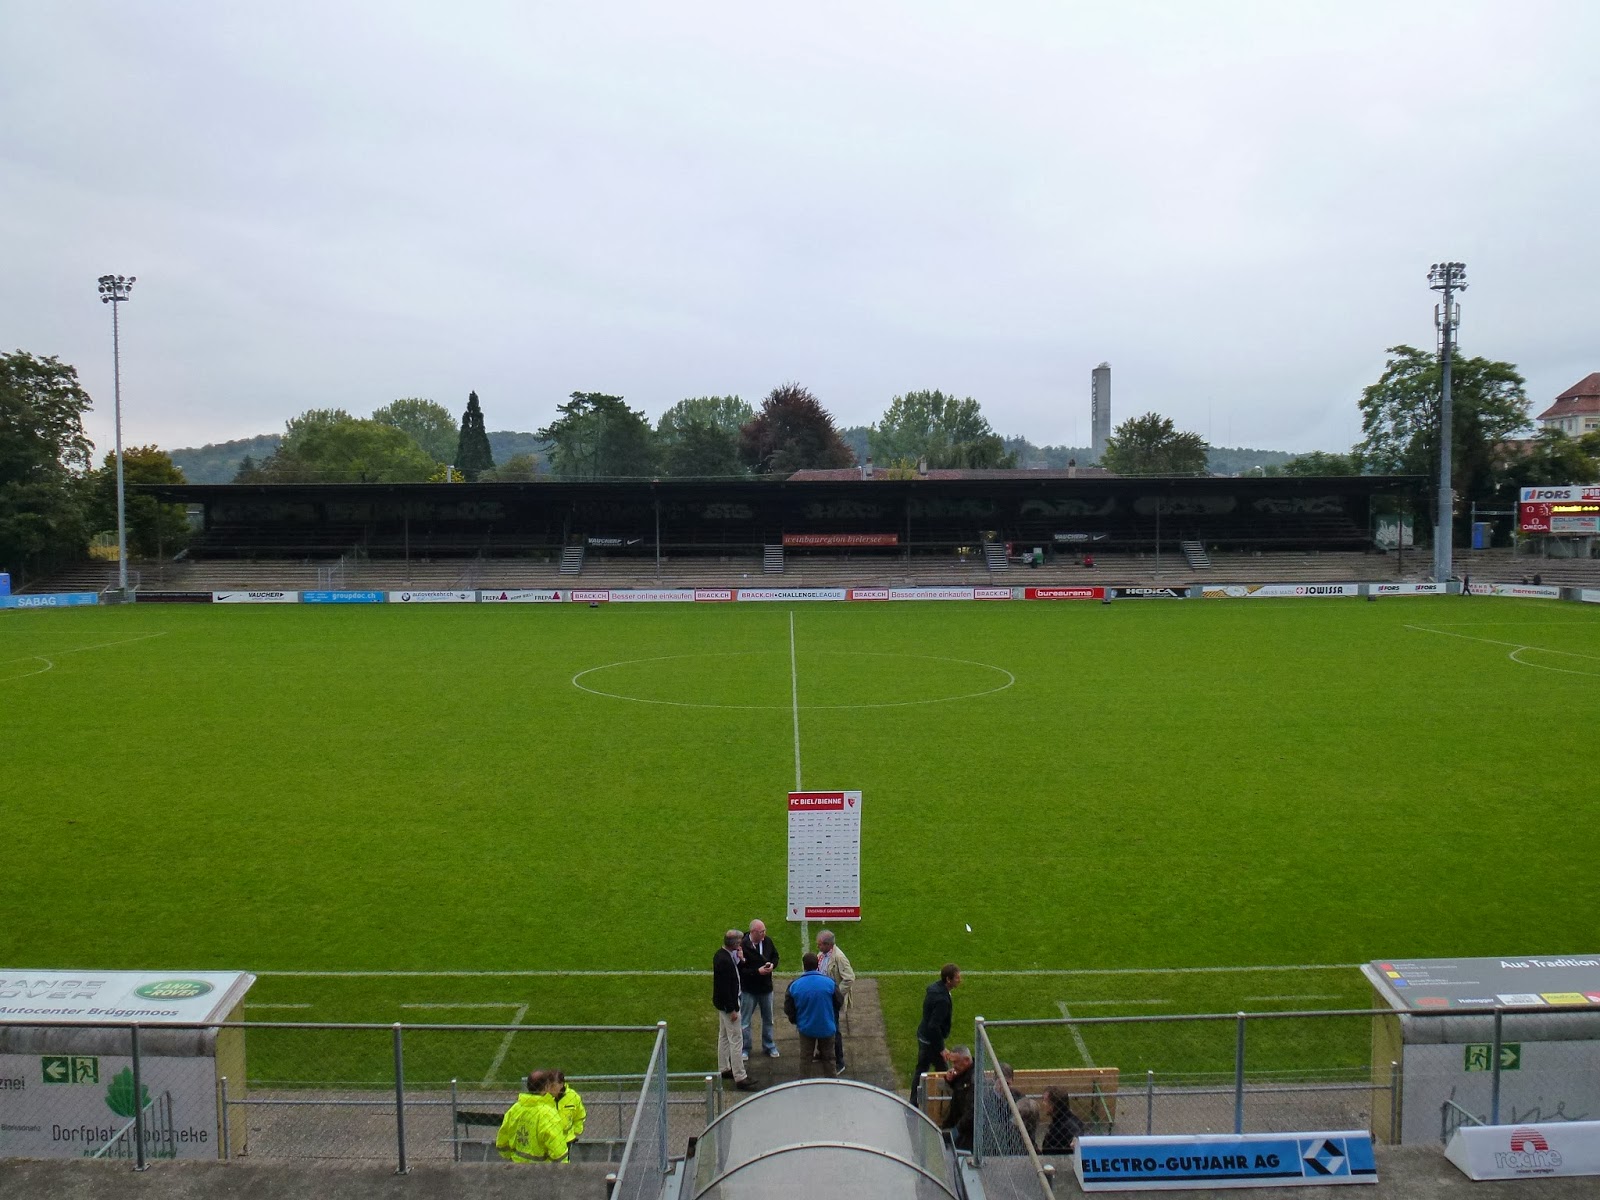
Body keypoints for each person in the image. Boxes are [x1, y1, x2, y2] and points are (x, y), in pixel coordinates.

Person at [783, 952, 842, 1077]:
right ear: (817, 965)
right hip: (826, 1027)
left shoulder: (795, 985)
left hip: (806, 1028)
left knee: (805, 1059)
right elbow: (839, 1002)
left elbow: (788, 1008)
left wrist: (796, 1021)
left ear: (803, 965)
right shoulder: (829, 982)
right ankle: (832, 1085)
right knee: (829, 1059)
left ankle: (803, 1085)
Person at [713, 929, 758, 1091]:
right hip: (729, 1005)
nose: (741, 945)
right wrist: (732, 1009)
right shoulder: (724, 960)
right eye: (739, 942)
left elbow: (734, 974)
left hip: (723, 1004)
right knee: (736, 1039)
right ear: (734, 943)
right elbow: (725, 987)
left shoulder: (723, 955)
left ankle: (724, 1067)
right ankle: (740, 1076)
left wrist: (740, 959)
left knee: (724, 1036)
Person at [911, 963, 960, 1106]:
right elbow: (934, 1025)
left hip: (924, 1036)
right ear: (948, 980)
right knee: (944, 1072)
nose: (959, 980)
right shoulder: (943, 1000)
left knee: (921, 1069)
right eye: (957, 978)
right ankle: (949, 1103)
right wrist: (941, 1048)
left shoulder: (934, 989)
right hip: (930, 1042)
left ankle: (914, 1101)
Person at [495, 1070, 570, 1163]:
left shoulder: (515, 1109)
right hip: (542, 1171)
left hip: (517, 1166)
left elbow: (502, 1140)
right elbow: (558, 1151)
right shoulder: (548, 1113)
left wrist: (510, 1157)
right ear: (546, 1087)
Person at [739, 919, 781, 1059]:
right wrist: (757, 971)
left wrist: (772, 965)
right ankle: (745, 1048)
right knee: (745, 1021)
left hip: (766, 988)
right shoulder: (742, 947)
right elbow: (741, 970)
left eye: (764, 931)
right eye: (761, 932)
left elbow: (775, 956)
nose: (764, 934)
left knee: (768, 1019)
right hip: (749, 990)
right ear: (752, 932)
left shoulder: (767, 941)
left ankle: (769, 1045)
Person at [816, 929, 854, 1076]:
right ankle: (822, 1052)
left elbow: (849, 978)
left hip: (831, 1000)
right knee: (821, 1024)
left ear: (828, 945)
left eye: (820, 944)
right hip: (823, 998)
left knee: (834, 1030)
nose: (818, 947)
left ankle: (839, 1061)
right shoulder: (822, 955)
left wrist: (836, 994)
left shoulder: (839, 958)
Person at [940, 1045, 975, 1149]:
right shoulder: (965, 1072)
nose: (953, 1066)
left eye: (955, 1062)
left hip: (966, 1132)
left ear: (966, 1060)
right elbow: (960, 1090)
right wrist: (950, 1080)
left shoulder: (974, 1080)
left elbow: (972, 1111)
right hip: (957, 1124)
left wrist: (957, 1130)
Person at [1037, 1086, 1085, 1155]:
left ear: (1053, 1104)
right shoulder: (1058, 1121)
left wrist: (1076, 1139)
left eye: (1045, 1100)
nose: (1043, 1103)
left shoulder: (1067, 1124)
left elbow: (1077, 1134)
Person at [552, 1070, 585, 1147]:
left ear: (561, 1084)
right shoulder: (545, 1097)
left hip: (567, 1138)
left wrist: (576, 1131)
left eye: (553, 1085)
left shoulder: (573, 1096)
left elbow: (580, 1115)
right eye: (549, 1085)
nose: (551, 1088)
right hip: (550, 1138)